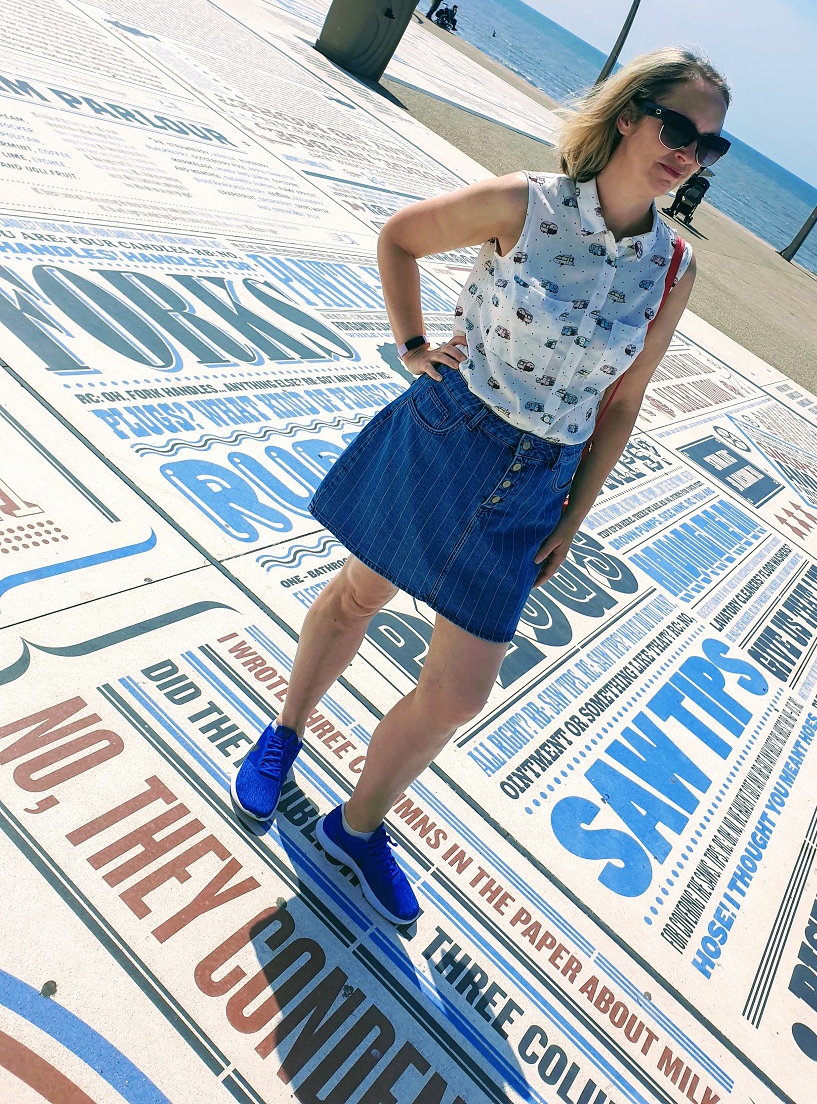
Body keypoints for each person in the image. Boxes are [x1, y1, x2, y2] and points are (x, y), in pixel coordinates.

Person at [229, 47, 730, 924]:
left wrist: (574, 519)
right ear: (629, 116)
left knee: (460, 692)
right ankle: (287, 733)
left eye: (711, 146)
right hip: (450, 434)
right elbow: (401, 237)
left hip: (539, 481)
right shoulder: (526, 202)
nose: (689, 152)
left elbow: (624, 402)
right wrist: (414, 347)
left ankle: (358, 822)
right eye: (678, 127)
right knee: (359, 595)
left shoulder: (673, 269)